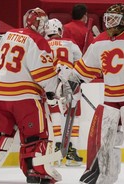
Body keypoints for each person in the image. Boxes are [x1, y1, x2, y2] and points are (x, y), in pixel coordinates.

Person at [60, 4, 124, 184]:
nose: (109, 22)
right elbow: (85, 70)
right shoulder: (100, 40)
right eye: (107, 18)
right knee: (102, 141)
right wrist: (71, 80)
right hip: (110, 99)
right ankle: (100, 176)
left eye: (113, 19)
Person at [0, 8, 62, 184]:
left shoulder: (9, 34)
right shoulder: (38, 41)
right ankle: (36, 172)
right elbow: (44, 77)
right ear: (40, 23)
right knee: (35, 137)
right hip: (24, 98)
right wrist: (56, 88)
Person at [44, 18, 83, 166]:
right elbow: (80, 62)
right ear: (60, 30)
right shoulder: (70, 43)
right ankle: (72, 150)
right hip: (70, 80)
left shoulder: (44, 44)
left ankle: (57, 149)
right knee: (74, 114)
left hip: (51, 80)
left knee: (55, 113)